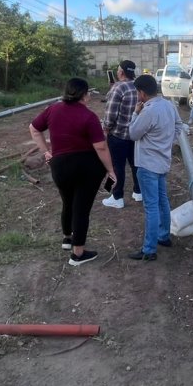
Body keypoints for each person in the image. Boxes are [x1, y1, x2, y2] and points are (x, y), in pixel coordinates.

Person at [29, 77, 117, 267]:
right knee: (81, 209)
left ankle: (67, 239)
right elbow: (101, 147)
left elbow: (34, 129)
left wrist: (46, 152)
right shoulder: (89, 116)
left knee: (67, 202)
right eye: (88, 93)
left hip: (59, 166)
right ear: (84, 95)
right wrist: (111, 170)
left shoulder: (53, 109)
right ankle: (78, 254)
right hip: (86, 167)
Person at [126, 74, 184, 261]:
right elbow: (179, 125)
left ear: (142, 93)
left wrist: (135, 113)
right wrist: (168, 143)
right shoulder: (168, 105)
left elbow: (133, 133)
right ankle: (163, 236)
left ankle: (149, 249)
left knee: (151, 206)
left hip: (147, 164)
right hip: (162, 161)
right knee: (162, 201)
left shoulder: (148, 111)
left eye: (137, 92)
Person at [101, 59, 142, 210]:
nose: (117, 71)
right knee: (135, 164)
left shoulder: (118, 88)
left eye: (118, 69)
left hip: (118, 136)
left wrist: (105, 130)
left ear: (121, 72)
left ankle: (116, 197)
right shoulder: (139, 87)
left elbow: (110, 115)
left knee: (116, 166)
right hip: (135, 135)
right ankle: (138, 192)